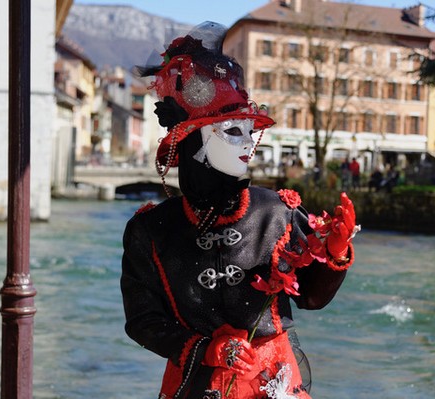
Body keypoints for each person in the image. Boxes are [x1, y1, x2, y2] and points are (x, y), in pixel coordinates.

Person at [120, 22, 358, 399]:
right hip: (194, 384)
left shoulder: (278, 212)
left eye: (250, 131)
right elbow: (143, 320)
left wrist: (333, 253)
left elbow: (310, 297)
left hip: (273, 384)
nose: (248, 144)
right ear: (193, 141)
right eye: (232, 131)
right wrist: (205, 351)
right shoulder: (150, 231)